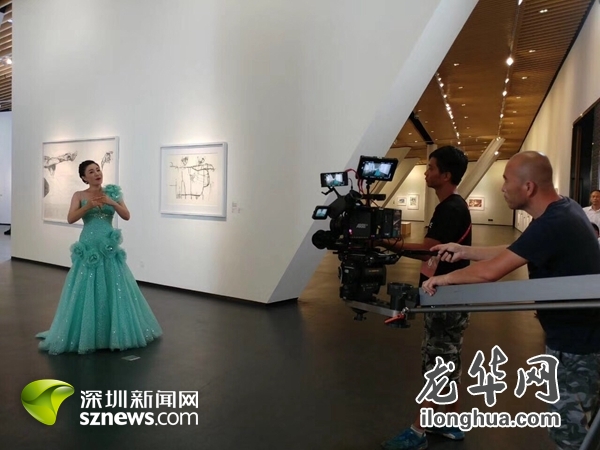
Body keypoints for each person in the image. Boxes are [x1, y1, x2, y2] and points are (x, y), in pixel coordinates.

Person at [423, 151, 600, 450]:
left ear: (528, 187)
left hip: (576, 345)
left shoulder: (552, 223)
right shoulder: (563, 209)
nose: (502, 187)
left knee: (570, 434)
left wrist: (444, 278)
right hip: (580, 339)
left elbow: (490, 272)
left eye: (506, 180)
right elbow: (518, 248)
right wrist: (463, 251)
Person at [379, 146, 472, 450]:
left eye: (431, 168)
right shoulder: (451, 206)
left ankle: (418, 431)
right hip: (449, 296)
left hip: (446, 298)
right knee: (448, 360)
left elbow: (426, 250)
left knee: (437, 363)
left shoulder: (451, 209)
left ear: (446, 175)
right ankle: (452, 423)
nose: (425, 172)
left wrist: (388, 243)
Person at [37, 160, 162, 355]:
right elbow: (70, 218)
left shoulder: (112, 192)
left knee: (114, 284)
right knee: (86, 285)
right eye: (91, 172)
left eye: (98, 170)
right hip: (89, 244)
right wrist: (88, 206)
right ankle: (88, 333)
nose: (97, 173)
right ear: (84, 177)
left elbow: (126, 215)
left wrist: (112, 202)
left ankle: (112, 333)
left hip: (108, 245)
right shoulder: (79, 195)